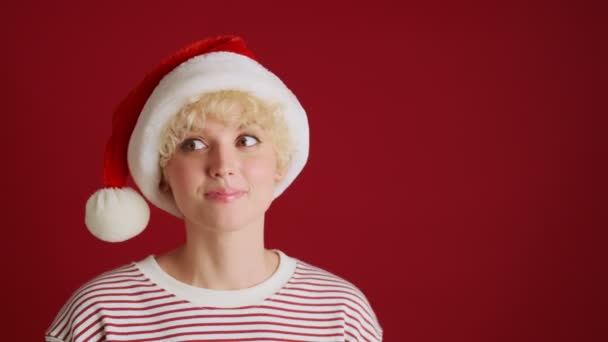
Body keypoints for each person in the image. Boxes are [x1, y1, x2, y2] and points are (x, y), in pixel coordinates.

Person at [45, 35, 383, 342]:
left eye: (246, 140)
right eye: (193, 144)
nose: (223, 165)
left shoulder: (341, 313)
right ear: (164, 173)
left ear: (280, 162)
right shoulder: (101, 312)